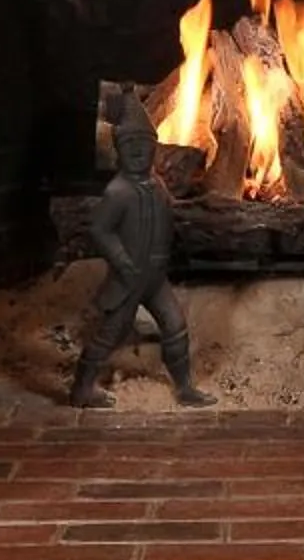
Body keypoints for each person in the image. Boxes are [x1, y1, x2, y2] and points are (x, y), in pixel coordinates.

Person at [71, 92, 213, 410]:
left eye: (144, 145)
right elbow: (100, 229)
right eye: (130, 146)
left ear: (155, 148)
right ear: (119, 152)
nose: (138, 152)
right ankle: (82, 387)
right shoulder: (118, 191)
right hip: (128, 277)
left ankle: (185, 386)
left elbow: (170, 214)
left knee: (175, 325)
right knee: (111, 331)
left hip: (156, 276)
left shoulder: (158, 185)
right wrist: (121, 260)